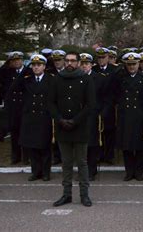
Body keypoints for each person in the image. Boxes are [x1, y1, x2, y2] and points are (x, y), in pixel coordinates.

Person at [49, 51, 96, 207]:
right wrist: (60, 119)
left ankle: (84, 195)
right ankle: (66, 194)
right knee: (66, 163)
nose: (69, 63)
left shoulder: (86, 79)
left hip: (80, 127)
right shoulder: (57, 79)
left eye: (72, 61)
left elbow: (90, 104)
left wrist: (75, 121)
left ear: (78, 62)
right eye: (67, 61)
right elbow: (51, 103)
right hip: (63, 127)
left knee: (82, 163)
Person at [109, 52, 143, 181]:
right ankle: (129, 172)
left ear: (138, 64)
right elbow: (114, 94)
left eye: (134, 64)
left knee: (140, 146)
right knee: (126, 146)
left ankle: (139, 172)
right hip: (125, 115)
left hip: (140, 115)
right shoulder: (120, 78)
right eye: (129, 65)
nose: (131, 67)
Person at [10, 54, 53, 181]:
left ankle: (46, 172)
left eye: (38, 65)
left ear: (44, 66)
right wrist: (24, 69)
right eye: (33, 65)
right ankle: (36, 172)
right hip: (30, 117)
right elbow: (13, 87)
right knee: (32, 146)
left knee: (44, 146)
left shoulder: (51, 79)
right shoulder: (27, 79)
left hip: (44, 116)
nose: (36, 67)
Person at [80, 53, 107, 181]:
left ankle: (92, 171)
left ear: (91, 65)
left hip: (93, 116)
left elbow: (105, 98)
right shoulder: (75, 78)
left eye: (86, 64)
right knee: (79, 145)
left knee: (92, 145)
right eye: (82, 63)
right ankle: (81, 171)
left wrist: (102, 113)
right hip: (79, 116)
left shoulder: (99, 78)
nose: (84, 66)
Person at [3, 51, 32, 164]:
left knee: (25, 132)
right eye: (13, 61)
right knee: (14, 132)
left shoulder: (28, 72)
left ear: (22, 60)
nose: (16, 62)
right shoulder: (8, 72)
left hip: (24, 106)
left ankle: (26, 156)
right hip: (13, 107)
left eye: (18, 60)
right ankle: (15, 156)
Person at [92, 47, 117, 164]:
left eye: (103, 57)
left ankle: (109, 155)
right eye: (99, 58)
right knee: (97, 132)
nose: (101, 60)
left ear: (108, 57)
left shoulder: (114, 70)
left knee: (109, 131)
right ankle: (99, 155)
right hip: (96, 104)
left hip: (109, 105)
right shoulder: (94, 69)